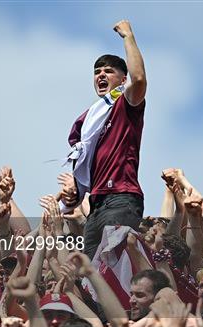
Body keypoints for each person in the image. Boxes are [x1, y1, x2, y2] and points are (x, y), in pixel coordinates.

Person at [62, 20, 147, 259]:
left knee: (114, 270)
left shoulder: (125, 104)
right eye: (97, 71)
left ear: (122, 80)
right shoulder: (87, 121)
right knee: (92, 281)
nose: (101, 74)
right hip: (95, 206)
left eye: (109, 71)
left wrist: (128, 36)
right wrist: (76, 192)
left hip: (121, 199)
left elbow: (139, 79)